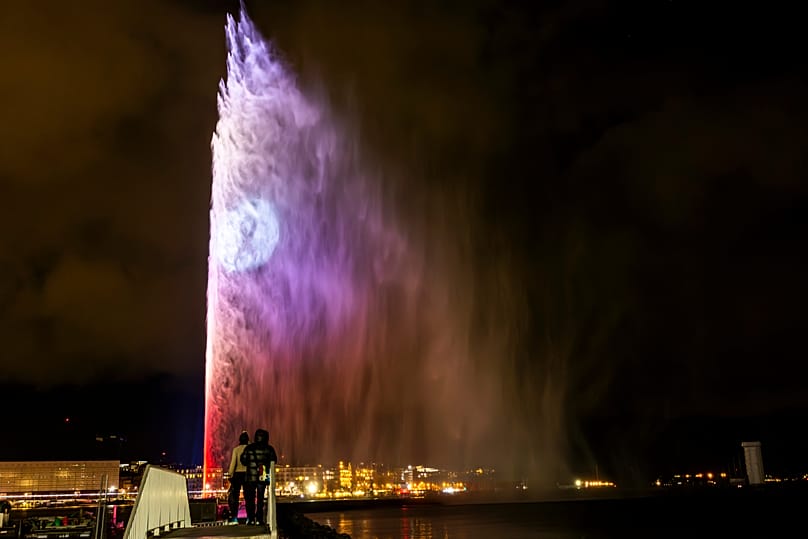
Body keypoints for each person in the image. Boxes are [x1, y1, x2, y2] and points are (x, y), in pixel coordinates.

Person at [240, 428, 278, 526]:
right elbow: (274, 460)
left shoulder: (249, 448)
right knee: (260, 498)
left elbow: (243, 461)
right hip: (263, 474)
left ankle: (251, 519)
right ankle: (260, 519)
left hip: (250, 477)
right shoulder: (269, 449)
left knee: (250, 498)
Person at [227, 431, 250, 524]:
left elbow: (233, 463)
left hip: (237, 474)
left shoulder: (236, 450)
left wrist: (230, 474)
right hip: (247, 474)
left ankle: (234, 517)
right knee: (248, 496)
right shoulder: (250, 449)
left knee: (235, 497)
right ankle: (249, 517)